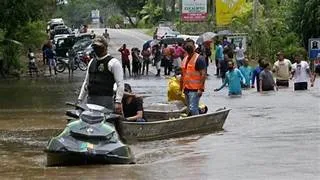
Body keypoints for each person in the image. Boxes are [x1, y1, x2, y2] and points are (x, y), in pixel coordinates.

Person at [77, 35, 124, 114]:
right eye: (95, 47)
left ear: (105, 47)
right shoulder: (91, 62)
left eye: (99, 47)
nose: (97, 49)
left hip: (106, 100)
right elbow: (86, 83)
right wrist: (80, 100)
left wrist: (118, 102)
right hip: (91, 100)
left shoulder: (113, 63)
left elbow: (120, 84)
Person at [180, 39, 207, 116]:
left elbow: (203, 74)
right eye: (187, 45)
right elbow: (183, 75)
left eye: (190, 45)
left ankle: (197, 122)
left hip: (195, 90)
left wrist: (200, 89)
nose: (189, 47)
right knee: (189, 108)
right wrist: (181, 88)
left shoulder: (199, 59)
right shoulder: (185, 59)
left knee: (193, 108)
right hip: (186, 89)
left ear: (194, 47)